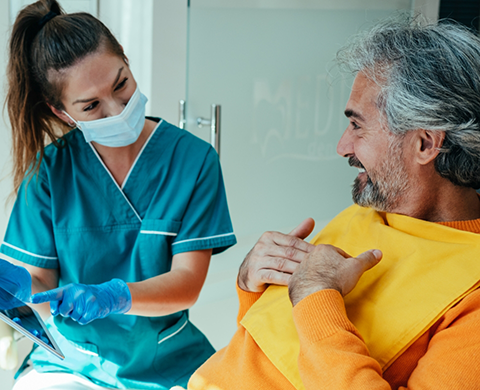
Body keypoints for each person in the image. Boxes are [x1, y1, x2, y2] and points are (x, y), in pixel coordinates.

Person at [185, 17, 480, 390]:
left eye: (357, 126)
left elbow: (313, 316)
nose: (342, 146)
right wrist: (252, 287)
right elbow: (276, 353)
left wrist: (315, 295)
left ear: (425, 144)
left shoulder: (474, 300)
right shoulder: (369, 211)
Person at [0, 1, 236, 389]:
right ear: (61, 113)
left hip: (167, 361)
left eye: (121, 83)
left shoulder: (194, 161)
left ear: (126, 59)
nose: (117, 109)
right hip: (72, 363)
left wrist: (114, 296)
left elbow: (188, 283)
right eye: (91, 106)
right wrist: (19, 290)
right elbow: (39, 281)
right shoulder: (50, 171)